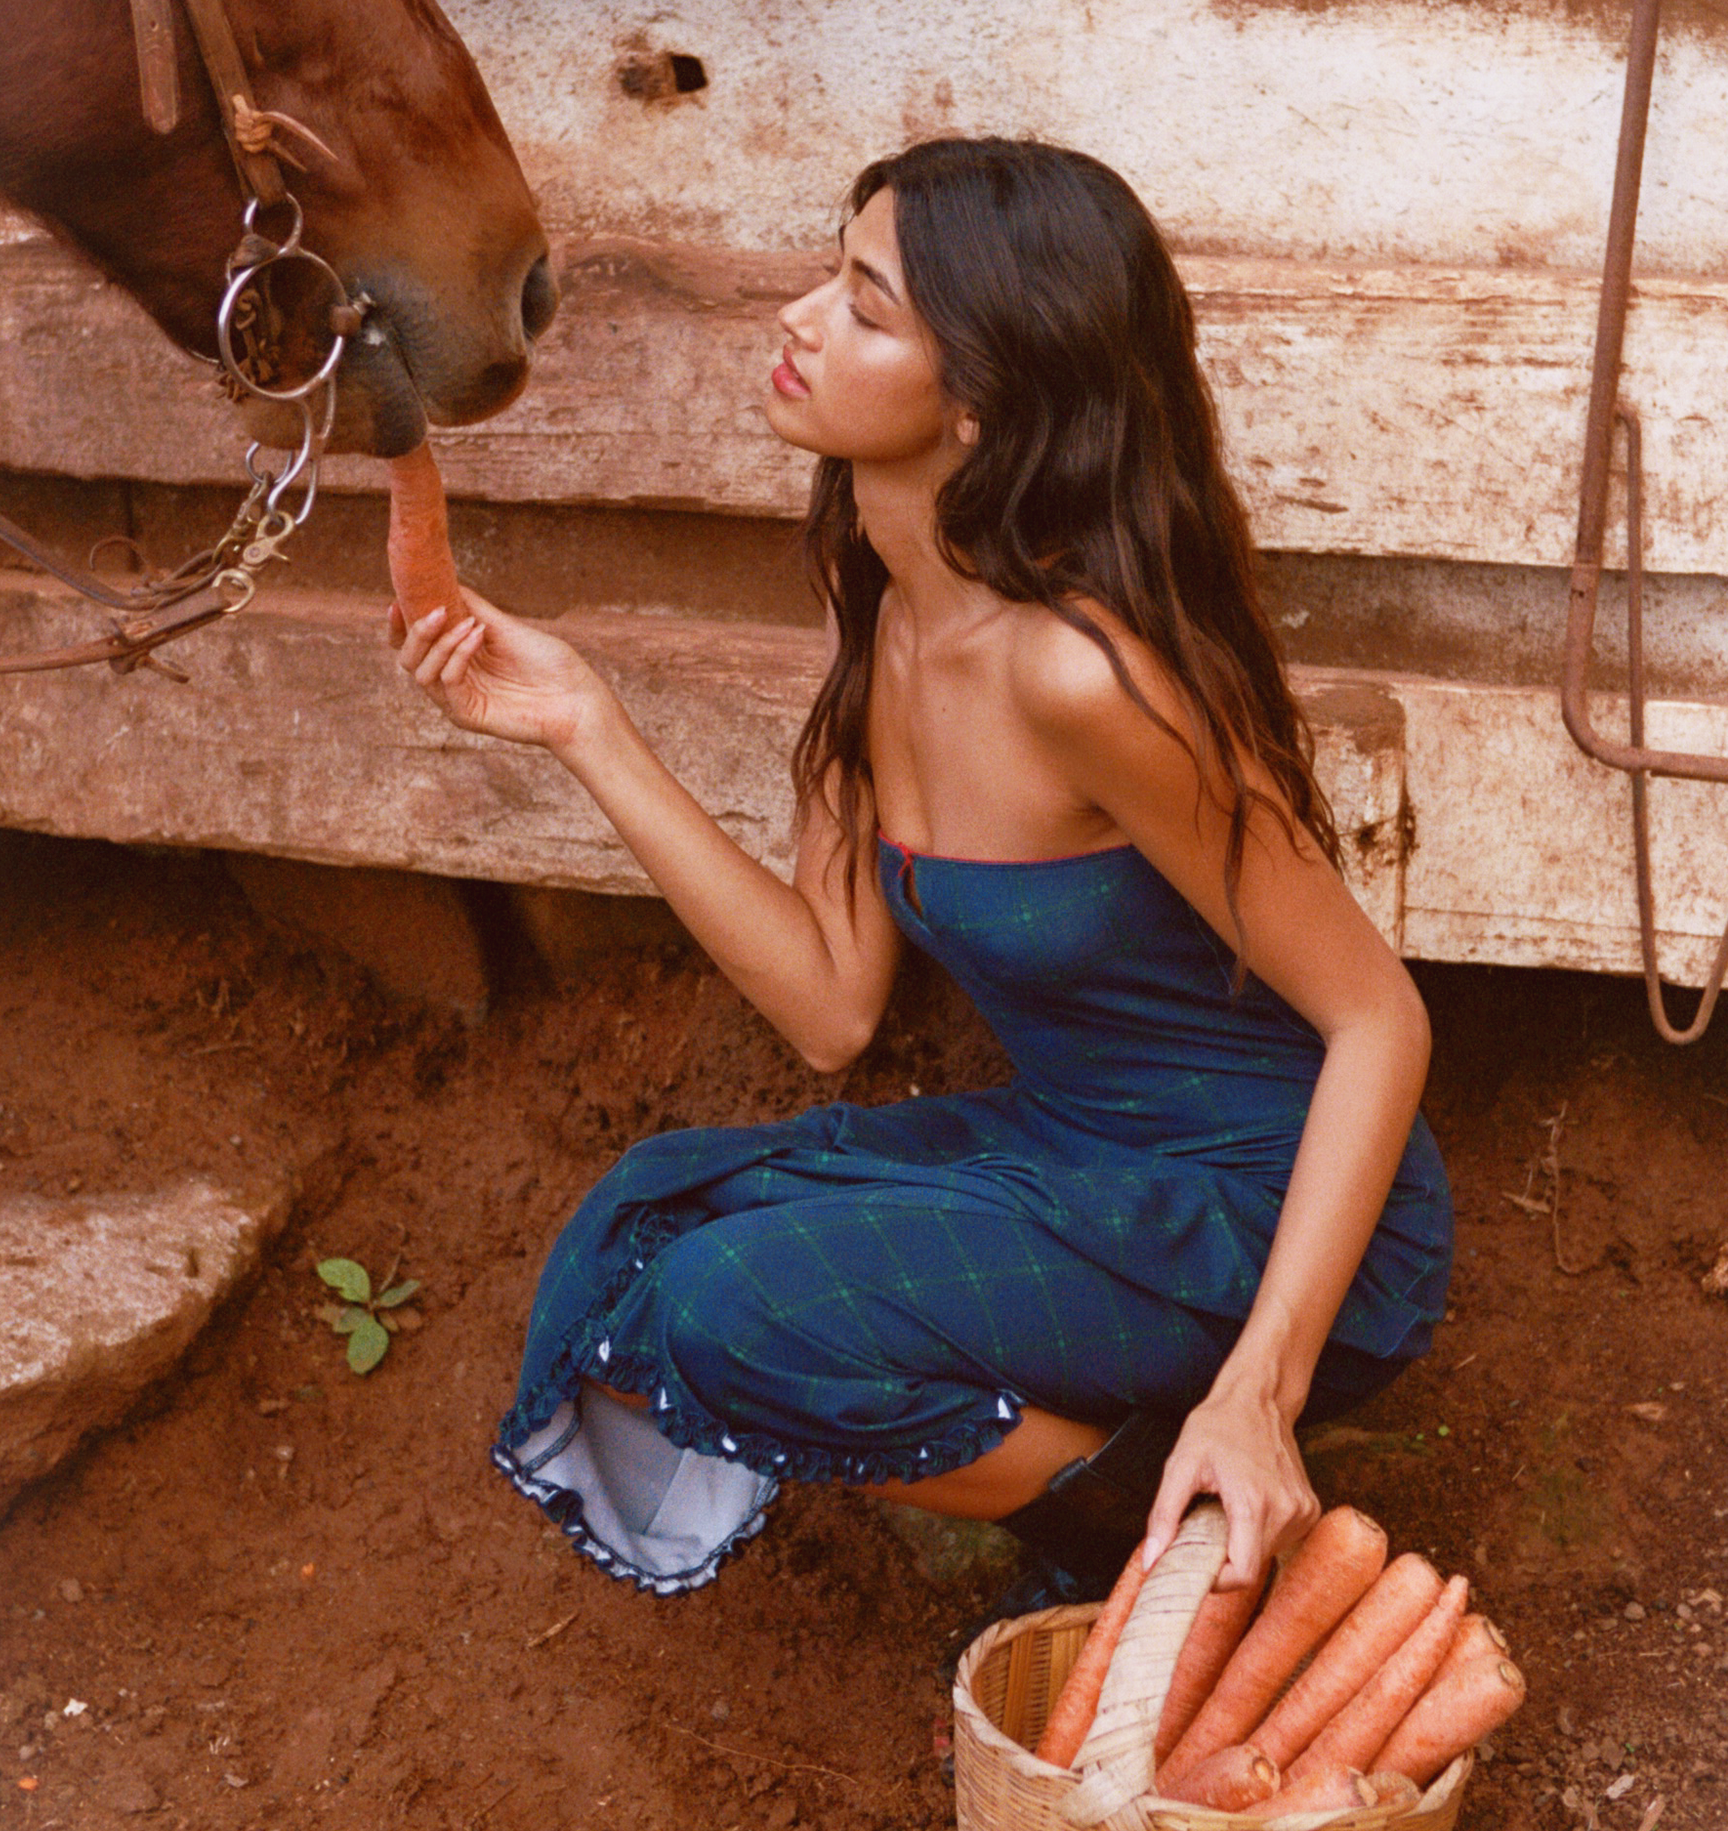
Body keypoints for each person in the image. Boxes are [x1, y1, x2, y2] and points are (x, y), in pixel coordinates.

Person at [391, 138, 1451, 1610]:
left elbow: (1377, 1019)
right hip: (1077, 1162)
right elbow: (830, 1009)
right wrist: (586, 725)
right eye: (833, 270)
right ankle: (1153, 1518)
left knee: (729, 1313)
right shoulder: (879, 605)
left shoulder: (1082, 675)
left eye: (865, 306)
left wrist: (1258, 1388)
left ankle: (1193, 1517)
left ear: (980, 404)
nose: (799, 318)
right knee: (648, 1229)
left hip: (1263, 1214)